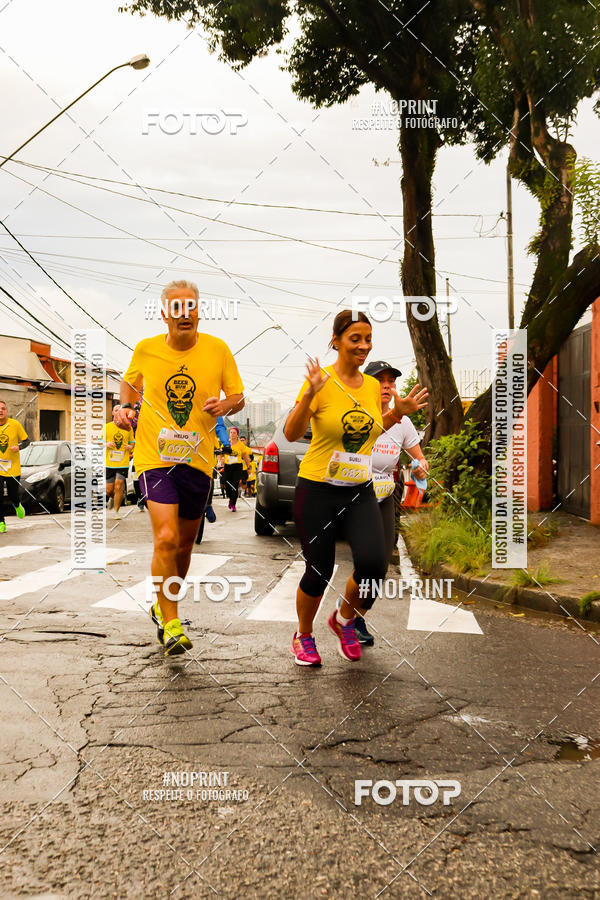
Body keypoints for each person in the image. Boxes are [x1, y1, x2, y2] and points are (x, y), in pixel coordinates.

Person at [284, 310, 428, 667]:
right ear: (336, 341)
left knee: (374, 563)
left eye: (368, 339)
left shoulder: (368, 386)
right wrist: (308, 397)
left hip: (357, 487)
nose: (363, 346)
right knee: (319, 568)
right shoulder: (322, 381)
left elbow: (370, 429)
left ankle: (344, 619)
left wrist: (398, 413)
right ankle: (303, 636)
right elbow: (290, 432)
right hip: (317, 487)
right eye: (355, 339)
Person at [114, 279, 244, 656]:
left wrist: (226, 406)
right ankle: (170, 622)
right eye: (177, 307)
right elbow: (129, 383)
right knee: (167, 538)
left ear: (199, 312)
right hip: (154, 459)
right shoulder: (147, 349)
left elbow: (237, 395)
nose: (184, 313)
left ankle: (162, 602)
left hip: (199, 461)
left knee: (185, 546)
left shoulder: (218, 350)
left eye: (191, 306)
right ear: (165, 313)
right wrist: (124, 408)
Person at [351, 360, 429, 646]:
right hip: (357, 490)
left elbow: (419, 459)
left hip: (387, 491)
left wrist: (421, 467)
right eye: (380, 380)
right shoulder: (358, 414)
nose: (387, 385)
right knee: (366, 559)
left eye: (391, 381)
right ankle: (347, 616)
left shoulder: (403, 422)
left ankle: (357, 615)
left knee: (382, 561)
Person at [101, 407, 135, 519]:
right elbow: (99, 442)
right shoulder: (106, 427)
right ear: (112, 412)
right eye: (116, 410)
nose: (118, 412)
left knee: (119, 484)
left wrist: (130, 447)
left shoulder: (128, 428)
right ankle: (113, 498)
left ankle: (116, 512)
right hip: (109, 463)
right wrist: (106, 444)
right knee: (109, 489)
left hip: (123, 462)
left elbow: (132, 444)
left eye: (120, 410)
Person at [0, 400, 29, 532]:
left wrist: (19, 447)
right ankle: (1, 523)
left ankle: (17, 505)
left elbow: (27, 441)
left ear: (6, 411)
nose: (0, 411)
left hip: (13, 467)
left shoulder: (15, 424)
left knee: (13, 494)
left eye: (3, 408)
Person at [222, 426, 250, 511]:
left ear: (237, 435)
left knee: (234, 485)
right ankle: (230, 498)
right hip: (227, 466)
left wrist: (248, 466)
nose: (232, 434)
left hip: (237, 467)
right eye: (231, 432)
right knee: (227, 485)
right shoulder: (226, 443)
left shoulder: (241, 445)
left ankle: (233, 504)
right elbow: (220, 452)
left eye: (234, 433)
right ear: (229, 434)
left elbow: (245, 457)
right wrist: (221, 460)